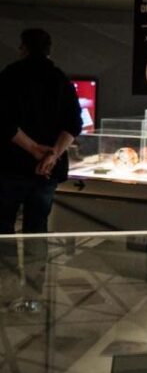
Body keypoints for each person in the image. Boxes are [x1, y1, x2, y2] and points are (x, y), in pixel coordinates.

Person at [0, 28, 82, 237]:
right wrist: (53, 154)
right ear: (48, 50)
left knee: (4, 228)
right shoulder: (60, 79)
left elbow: (3, 122)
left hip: (11, 166)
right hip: (47, 169)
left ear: (24, 48)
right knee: (37, 230)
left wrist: (33, 148)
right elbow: (74, 124)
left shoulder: (9, 76)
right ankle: (36, 261)